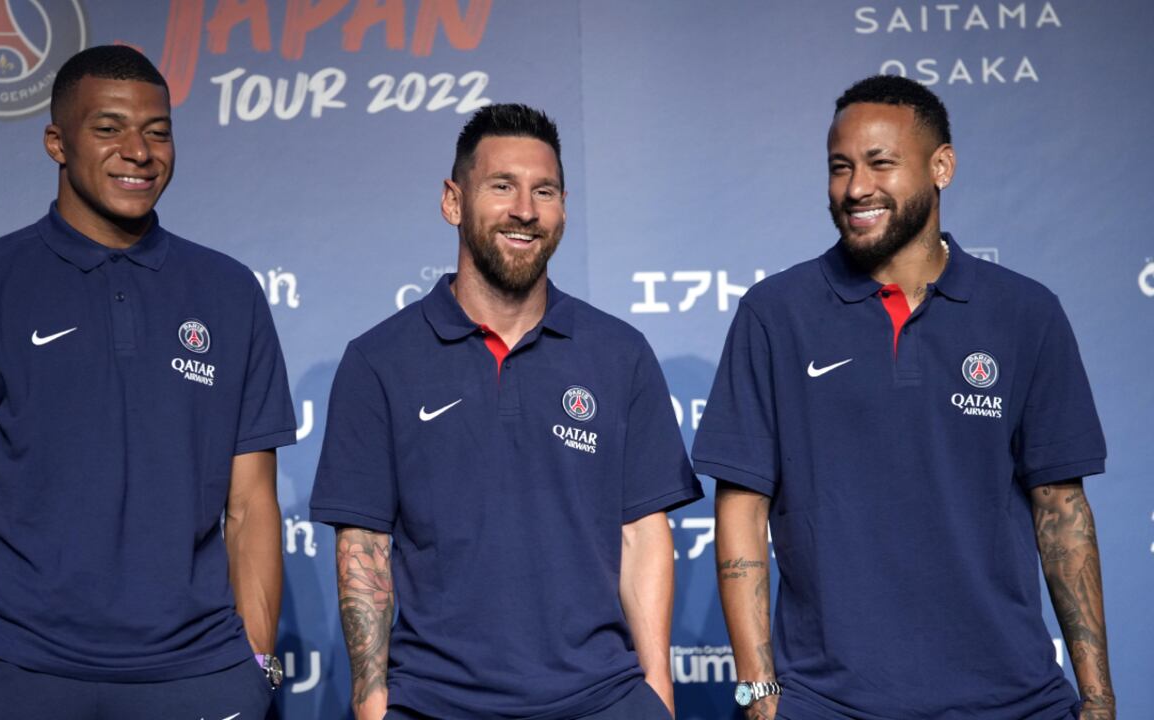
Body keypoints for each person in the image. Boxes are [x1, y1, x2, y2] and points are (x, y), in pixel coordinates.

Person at [692, 74, 1115, 720]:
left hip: (1012, 702)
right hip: (828, 704)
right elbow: (742, 510)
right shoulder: (776, 314)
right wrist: (757, 692)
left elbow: (1061, 510)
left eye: (879, 163)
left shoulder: (1025, 313)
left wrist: (1097, 697)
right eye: (840, 167)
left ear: (941, 166)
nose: (856, 186)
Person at [0, 45, 295, 720]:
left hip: (197, 674)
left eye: (158, 131)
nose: (138, 152)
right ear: (57, 141)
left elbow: (252, 507)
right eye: (108, 128)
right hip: (17, 668)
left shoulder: (229, 293)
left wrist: (255, 667)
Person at [310, 103, 702, 719]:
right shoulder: (379, 361)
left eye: (543, 190)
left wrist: (658, 692)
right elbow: (364, 546)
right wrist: (371, 704)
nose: (525, 209)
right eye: (502, 186)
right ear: (452, 201)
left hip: (602, 701)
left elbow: (642, 536)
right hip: (434, 704)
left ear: (563, 208)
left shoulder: (618, 353)